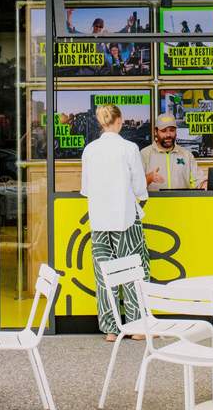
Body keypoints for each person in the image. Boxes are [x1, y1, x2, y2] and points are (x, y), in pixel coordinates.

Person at [80, 104, 150, 341]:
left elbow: (86, 189)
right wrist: (141, 198)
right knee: (133, 272)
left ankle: (111, 329)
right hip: (126, 219)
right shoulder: (129, 148)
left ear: (101, 122)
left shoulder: (90, 150)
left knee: (104, 276)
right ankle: (137, 327)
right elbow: (139, 187)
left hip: (99, 221)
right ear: (119, 121)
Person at [140, 114, 205, 191]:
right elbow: (135, 186)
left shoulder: (187, 155)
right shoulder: (144, 155)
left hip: (181, 199)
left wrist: (204, 184)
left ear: (176, 132)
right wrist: (149, 178)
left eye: (172, 130)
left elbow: (198, 181)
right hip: (153, 199)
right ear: (155, 132)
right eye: (163, 131)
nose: (168, 135)